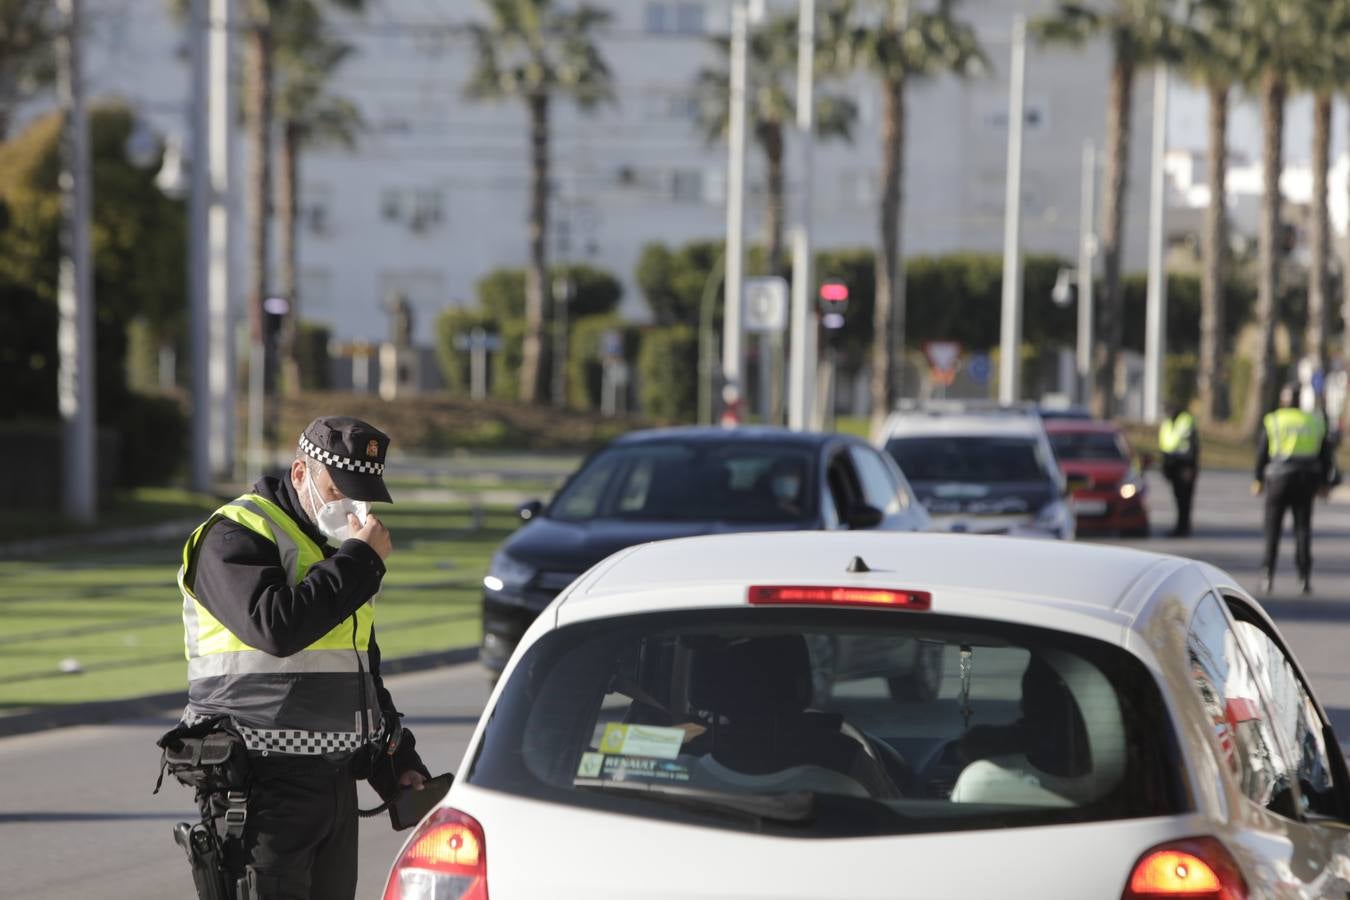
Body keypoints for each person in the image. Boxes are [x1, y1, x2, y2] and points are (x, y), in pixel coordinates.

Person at [161, 416, 430, 900]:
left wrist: (396, 765)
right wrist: (360, 561)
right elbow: (275, 627)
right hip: (258, 788)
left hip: (332, 786)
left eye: (363, 495)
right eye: (339, 490)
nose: (352, 506)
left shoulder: (335, 553)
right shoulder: (234, 535)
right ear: (301, 472)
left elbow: (357, 672)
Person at [1253, 384, 1337, 595]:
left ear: (1283, 401)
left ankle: (1267, 575)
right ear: (1300, 402)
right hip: (1306, 481)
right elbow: (1325, 455)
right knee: (1302, 529)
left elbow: (1262, 453)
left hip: (1278, 481)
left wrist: (1257, 480)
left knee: (1273, 529)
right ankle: (1304, 577)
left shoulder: (1273, 420)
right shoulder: (1313, 422)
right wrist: (1325, 483)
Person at [1157, 402, 1199, 537]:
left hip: (1185, 466)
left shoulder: (1186, 421)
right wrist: (1165, 468)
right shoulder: (1167, 423)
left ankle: (1183, 528)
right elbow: (1165, 446)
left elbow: (1194, 447)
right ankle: (1180, 526)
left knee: (1184, 500)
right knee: (1178, 498)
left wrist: (1190, 468)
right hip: (1173, 465)